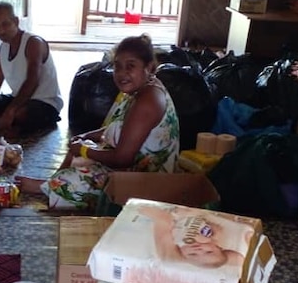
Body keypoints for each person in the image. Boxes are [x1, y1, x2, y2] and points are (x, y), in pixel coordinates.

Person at [17, 34, 180, 210]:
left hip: (145, 183)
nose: (122, 74)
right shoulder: (140, 90)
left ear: (149, 68)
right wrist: (87, 137)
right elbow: (120, 127)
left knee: (73, 181)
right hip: (129, 168)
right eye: (117, 67)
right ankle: (50, 184)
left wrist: (85, 150)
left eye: (130, 66)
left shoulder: (148, 100)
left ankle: (50, 187)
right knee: (78, 150)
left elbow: (122, 159)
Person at [0, 1, 63, 139]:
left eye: (5, 24)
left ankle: (5, 120)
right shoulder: (3, 49)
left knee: (19, 114)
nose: (1, 31)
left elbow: (32, 81)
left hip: (45, 103)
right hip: (19, 98)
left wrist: (12, 109)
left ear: (16, 21)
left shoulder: (33, 43)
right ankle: (7, 123)